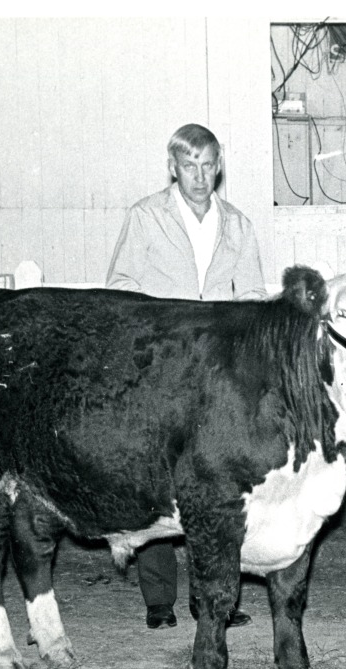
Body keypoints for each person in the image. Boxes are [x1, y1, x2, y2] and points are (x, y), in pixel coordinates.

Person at [106, 123, 266, 630]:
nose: (199, 176)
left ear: (219, 166)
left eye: (207, 165)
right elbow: (121, 289)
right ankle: (159, 598)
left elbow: (253, 299)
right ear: (173, 167)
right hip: (162, 366)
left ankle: (212, 597)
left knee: (216, 480)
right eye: (188, 165)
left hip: (217, 374)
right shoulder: (145, 217)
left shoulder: (237, 225)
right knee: (158, 475)